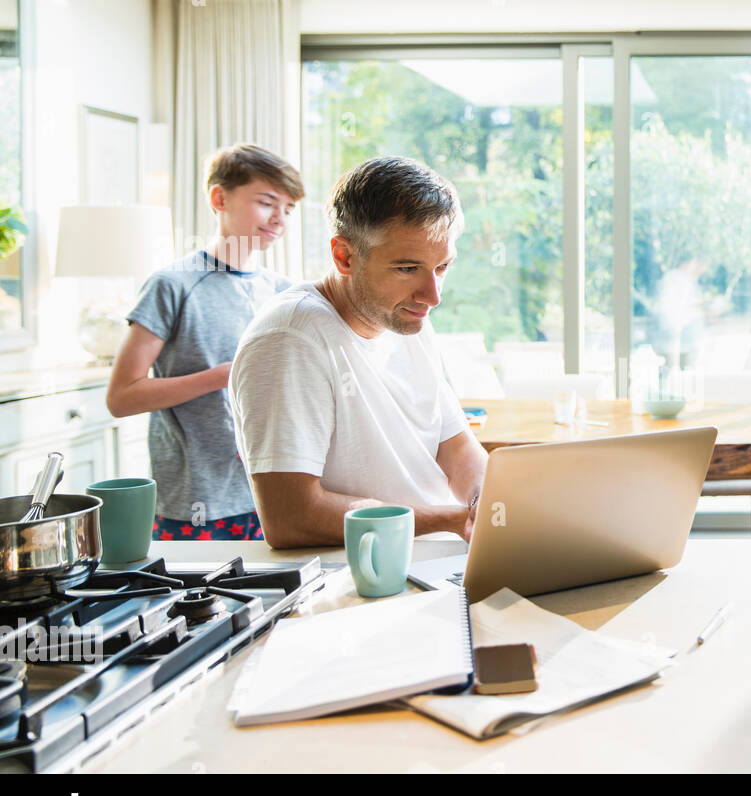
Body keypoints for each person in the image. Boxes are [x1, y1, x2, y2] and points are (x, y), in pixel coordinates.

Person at [229, 156, 488, 549]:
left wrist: (487, 505)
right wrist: (453, 520)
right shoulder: (290, 339)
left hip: (437, 556)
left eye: (442, 267)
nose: (432, 296)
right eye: (407, 268)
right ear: (344, 257)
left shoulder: (406, 315)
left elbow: (453, 444)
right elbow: (289, 517)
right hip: (359, 574)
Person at [106, 143, 304, 542]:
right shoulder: (172, 285)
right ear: (219, 198)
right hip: (197, 500)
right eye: (267, 202)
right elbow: (122, 397)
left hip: (274, 493)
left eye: (288, 208)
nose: (279, 219)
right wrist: (223, 376)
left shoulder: (284, 292)